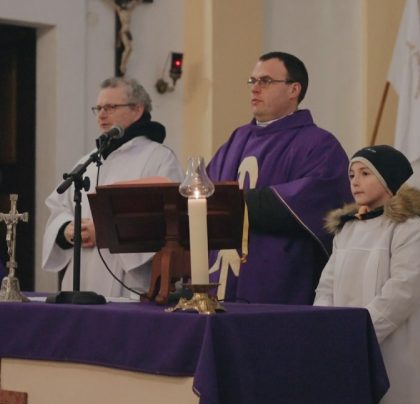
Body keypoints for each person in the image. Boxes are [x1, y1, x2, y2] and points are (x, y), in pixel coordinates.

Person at [314, 145, 420, 404]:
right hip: (349, 343)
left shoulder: (409, 228)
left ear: (388, 179)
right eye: (352, 175)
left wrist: (361, 330)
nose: (355, 181)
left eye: (365, 173)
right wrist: (326, 324)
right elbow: (327, 284)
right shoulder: (347, 230)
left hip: (393, 345)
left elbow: (403, 289)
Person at [206, 51, 351, 305]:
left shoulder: (319, 144)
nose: (255, 89)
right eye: (252, 81)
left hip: (278, 281)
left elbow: (314, 200)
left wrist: (237, 203)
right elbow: (206, 194)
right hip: (221, 277)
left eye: (266, 81)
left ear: (294, 89)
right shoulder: (237, 139)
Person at [42, 77, 183, 298]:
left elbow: (165, 219)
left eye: (110, 107)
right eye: (98, 108)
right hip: (82, 276)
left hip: (128, 282)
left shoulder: (159, 158)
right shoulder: (88, 161)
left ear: (137, 110)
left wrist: (106, 232)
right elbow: (60, 208)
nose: (101, 114)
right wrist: (68, 230)